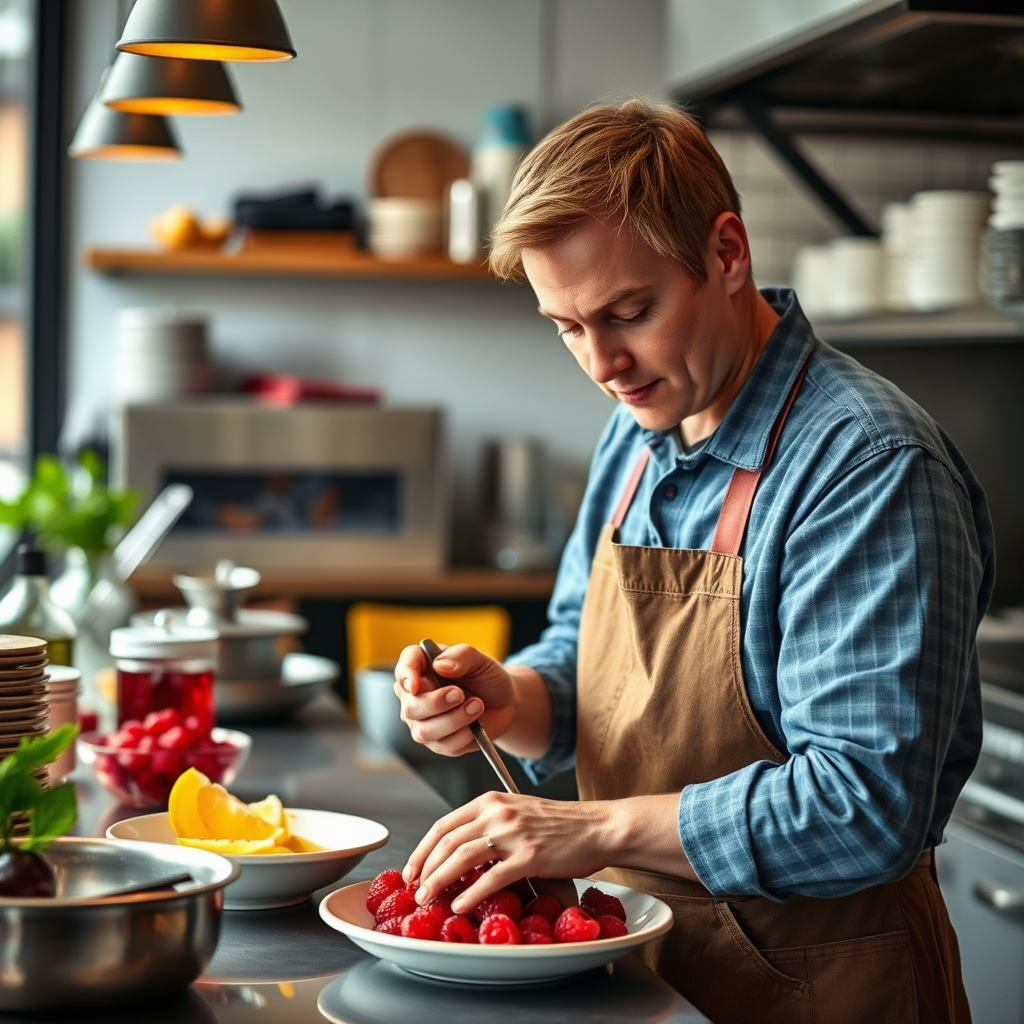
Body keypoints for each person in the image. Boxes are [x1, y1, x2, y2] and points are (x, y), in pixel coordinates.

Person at [394, 100, 992, 1024]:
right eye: (565, 325)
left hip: (826, 986)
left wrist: (585, 830)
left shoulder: (867, 466)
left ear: (726, 253)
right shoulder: (634, 436)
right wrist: (511, 698)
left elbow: (864, 803)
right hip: (646, 973)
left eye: (629, 311)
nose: (603, 363)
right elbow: (582, 661)